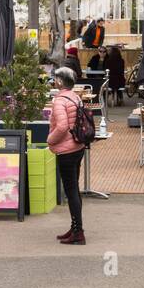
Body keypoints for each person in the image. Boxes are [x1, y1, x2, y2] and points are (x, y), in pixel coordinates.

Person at [48, 67, 87, 245]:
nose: (54, 81)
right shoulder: (75, 97)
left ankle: (78, 232)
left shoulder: (59, 101)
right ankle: (75, 227)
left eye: (56, 79)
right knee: (74, 189)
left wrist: (50, 140)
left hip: (66, 150)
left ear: (60, 82)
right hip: (78, 146)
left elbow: (62, 126)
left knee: (70, 190)